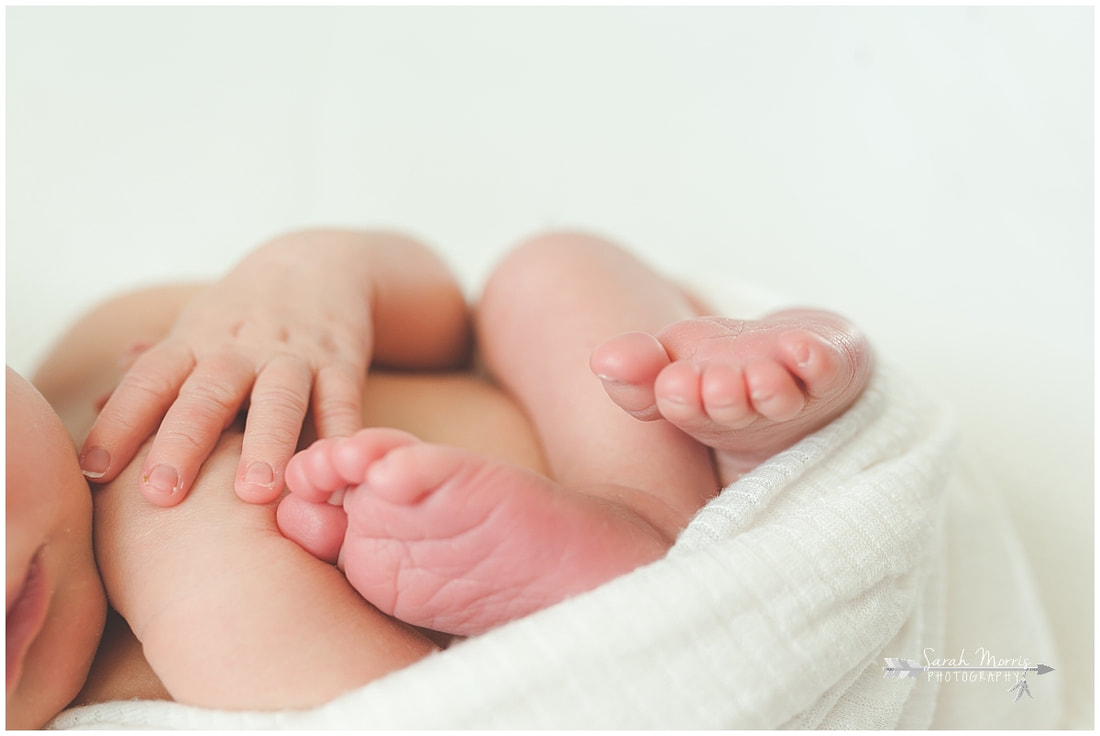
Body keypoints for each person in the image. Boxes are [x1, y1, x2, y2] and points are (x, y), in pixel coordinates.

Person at [7, 229, 870, 727]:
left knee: (552, 268)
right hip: (537, 658)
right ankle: (622, 574)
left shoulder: (110, 334)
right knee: (217, 589)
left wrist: (305, 274)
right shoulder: (132, 678)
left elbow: (444, 322)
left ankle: (677, 480)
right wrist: (211, 591)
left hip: (623, 437)